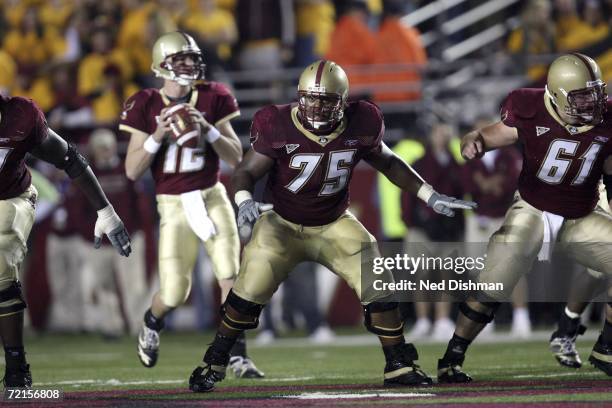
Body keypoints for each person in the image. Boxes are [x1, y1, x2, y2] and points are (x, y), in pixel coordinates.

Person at [187, 59, 476, 392]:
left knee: (378, 279)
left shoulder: (362, 120)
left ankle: (398, 363)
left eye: (326, 100)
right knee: (247, 290)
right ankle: (215, 359)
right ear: (299, 96)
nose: (317, 106)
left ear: (343, 100)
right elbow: (245, 171)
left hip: (334, 222)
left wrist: (429, 194)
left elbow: (388, 161)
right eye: (310, 97)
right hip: (282, 223)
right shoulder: (277, 123)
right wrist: (243, 200)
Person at [437, 53, 612, 382]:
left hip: (581, 213)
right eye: (582, 96)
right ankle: (453, 355)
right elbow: (484, 136)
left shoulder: (607, 118)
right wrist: (471, 142)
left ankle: (607, 348)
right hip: (533, 208)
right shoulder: (529, 108)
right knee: (493, 285)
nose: (592, 103)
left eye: (595, 93)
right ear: (557, 95)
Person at [121, 31, 262, 378]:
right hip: (173, 205)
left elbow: (237, 158)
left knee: (230, 273)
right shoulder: (145, 103)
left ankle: (236, 356)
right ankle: (152, 322)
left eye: (191, 59)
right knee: (174, 292)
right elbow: (132, 170)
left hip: (211, 195)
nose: (188, 66)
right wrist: (157, 136)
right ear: (161, 66)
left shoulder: (214, 96)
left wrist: (209, 130)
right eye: (180, 60)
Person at [0, 94, 131, 388]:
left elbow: (69, 158)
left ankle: (17, 366)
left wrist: (106, 211)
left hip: (11, 198)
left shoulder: (19, 116)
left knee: (1, 253)